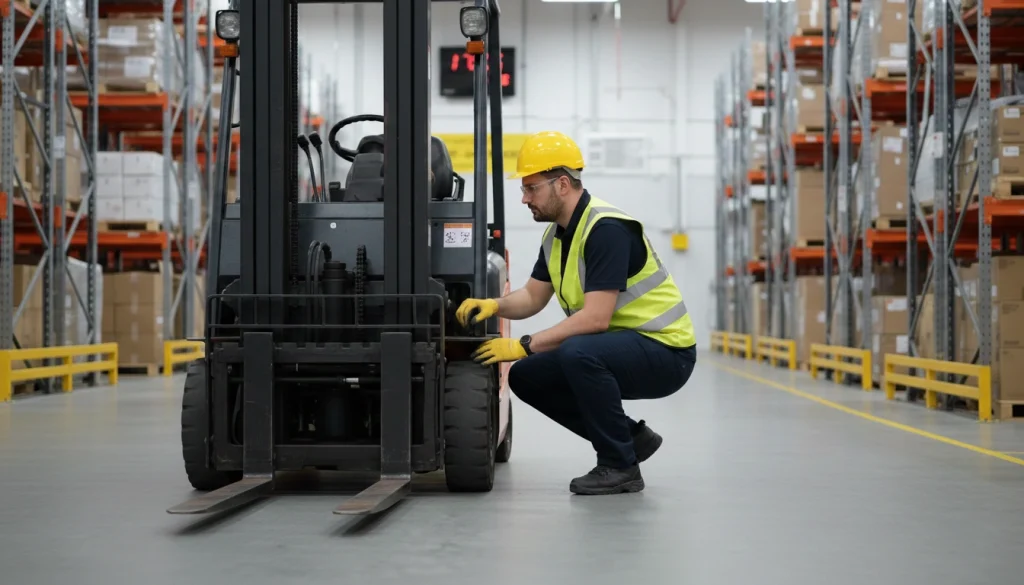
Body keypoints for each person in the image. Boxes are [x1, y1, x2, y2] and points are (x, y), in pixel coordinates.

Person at [455, 130, 697, 496]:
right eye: (524, 189)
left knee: (577, 351)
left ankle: (620, 465)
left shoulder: (606, 230)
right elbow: (533, 297)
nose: (524, 198)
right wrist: (494, 305)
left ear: (563, 184)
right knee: (527, 376)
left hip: (666, 351)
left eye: (531, 188)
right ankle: (631, 439)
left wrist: (523, 344)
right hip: (622, 347)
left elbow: (595, 320)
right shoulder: (556, 236)